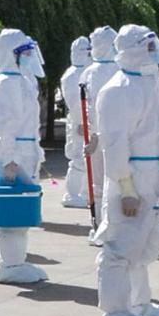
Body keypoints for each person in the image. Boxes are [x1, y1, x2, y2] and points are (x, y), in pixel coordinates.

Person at [96, 24, 159, 316]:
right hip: (130, 182)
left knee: (143, 246)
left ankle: (140, 304)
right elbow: (115, 144)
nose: (153, 51)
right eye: (147, 45)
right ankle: (116, 314)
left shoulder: (148, 83)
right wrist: (126, 187)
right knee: (119, 248)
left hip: (151, 177)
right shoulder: (117, 89)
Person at [0, 29, 49, 283]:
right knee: (13, 210)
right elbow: (5, 124)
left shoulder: (21, 81)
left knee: (22, 209)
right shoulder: (7, 83)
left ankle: (13, 261)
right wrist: (9, 158)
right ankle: (10, 266)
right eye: (26, 52)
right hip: (15, 154)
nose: (30, 57)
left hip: (24, 151)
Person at [80, 25, 119, 244]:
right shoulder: (120, 69)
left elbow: (94, 107)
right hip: (116, 135)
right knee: (114, 182)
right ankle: (109, 226)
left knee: (100, 184)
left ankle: (102, 226)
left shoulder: (92, 72)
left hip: (100, 136)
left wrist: (94, 135)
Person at [57, 35, 92, 208]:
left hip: (86, 120)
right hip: (79, 121)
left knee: (88, 159)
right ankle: (72, 193)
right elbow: (74, 101)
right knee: (78, 158)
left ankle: (85, 192)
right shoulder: (71, 75)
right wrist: (80, 121)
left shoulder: (86, 71)